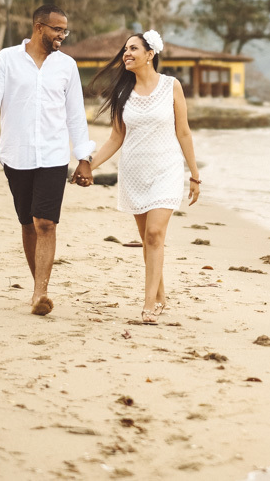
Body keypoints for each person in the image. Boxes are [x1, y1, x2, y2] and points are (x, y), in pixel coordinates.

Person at [0, 4, 95, 316]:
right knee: (28, 223)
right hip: (16, 153)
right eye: (57, 29)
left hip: (53, 154)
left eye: (64, 30)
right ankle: (36, 285)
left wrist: (84, 157)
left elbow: (76, 115)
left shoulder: (67, 66)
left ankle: (41, 292)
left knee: (46, 223)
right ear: (39, 27)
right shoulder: (7, 59)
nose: (62, 35)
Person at [78, 30, 200, 325]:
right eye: (125, 50)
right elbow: (115, 138)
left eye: (133, 48)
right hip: (134, 172)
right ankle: (160, 296)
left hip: (166, 169)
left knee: (155, 234)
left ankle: (148, 305)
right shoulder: (122, 93)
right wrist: (88, 165)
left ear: (150, 54)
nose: (126, 54)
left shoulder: (171, 86)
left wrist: (195, 175)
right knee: (148, 240)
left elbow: (183, 132)